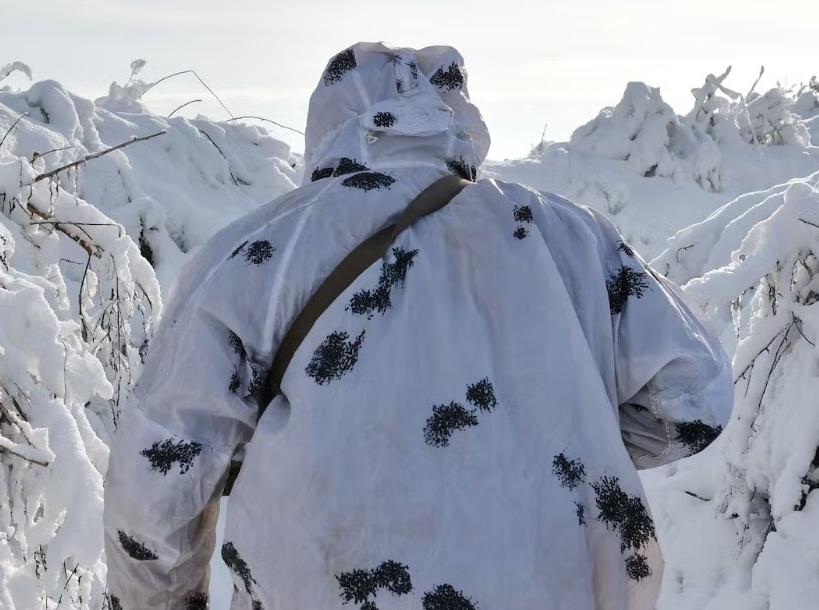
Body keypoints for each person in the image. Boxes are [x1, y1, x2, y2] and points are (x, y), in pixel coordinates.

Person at [104, 42, 732, 610]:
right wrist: (545, 438)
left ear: (328, 128)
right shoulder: (570, 237)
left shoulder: (262, 253)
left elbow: (156, 488)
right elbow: (695, 397)